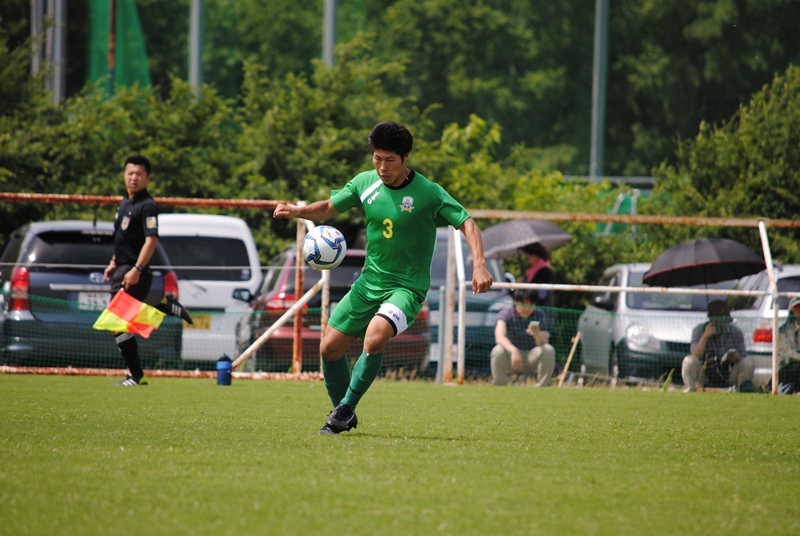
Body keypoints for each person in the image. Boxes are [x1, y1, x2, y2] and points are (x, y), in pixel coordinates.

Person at [273, 121, 493, 434]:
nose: (382, 167)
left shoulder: (428, 193)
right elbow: (329, 208)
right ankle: (344, 411)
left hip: (406, 288)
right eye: (377, 159)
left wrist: (479, 265)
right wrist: (297, 211)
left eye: (390, 160)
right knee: (328, 349)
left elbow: (467, 223)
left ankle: (344, 410)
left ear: (405, 158)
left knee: (374, 337)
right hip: (368, 283)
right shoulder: (365, 183)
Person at [104, 154, 192, 386]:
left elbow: (151, 240)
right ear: (124, 175)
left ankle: (136, 376)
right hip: (122, 268)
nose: (134, 177)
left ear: (148, 178)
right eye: (130, 173)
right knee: (120, 324)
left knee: (116, 323)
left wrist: (137, 269)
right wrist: (114, 261)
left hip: (134, 271)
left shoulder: (148, 205)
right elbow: (123, 239)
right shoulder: (125, 202)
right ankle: (164, 308)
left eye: (139, 174)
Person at [681, 300, 754, 392]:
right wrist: (705, 336)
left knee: (748, 361)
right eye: (719, 320)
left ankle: (742, 390)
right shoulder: (699, 330)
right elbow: (695, 354)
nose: (723, 323)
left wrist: (736, 357)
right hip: (705, 373)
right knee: (688, 360)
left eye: (724, 320)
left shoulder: (736, 332)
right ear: (711, 319)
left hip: (729, 373)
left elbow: (743, 355)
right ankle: (690, 389)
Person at [490, 288, 555, 387]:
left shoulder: (539, 314)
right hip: (510, 358)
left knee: (548, 350)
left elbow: (544, 341)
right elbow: (499, 337)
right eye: (524, 305)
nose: (527, 309)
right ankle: (499, 385)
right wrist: (513, 350)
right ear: (516, 301)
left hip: (531, 356)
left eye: (531, 305)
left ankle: (543, 386)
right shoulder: (505, 314)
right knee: (497, 350)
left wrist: (536, 334)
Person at [776, 296, 800, 393]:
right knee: (796, 367)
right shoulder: (783, 330)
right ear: (792, 311)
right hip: (787, 367)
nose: (799, 311)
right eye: (797, 308)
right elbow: (787, 353)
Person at [520, 242, 554, 309]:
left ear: (535, 255)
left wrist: (525, 285)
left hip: (543, 310)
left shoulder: (544, 271)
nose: (528, 260)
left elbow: (542, 294)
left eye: (528, 257)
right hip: (535, 309)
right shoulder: (534, 273)